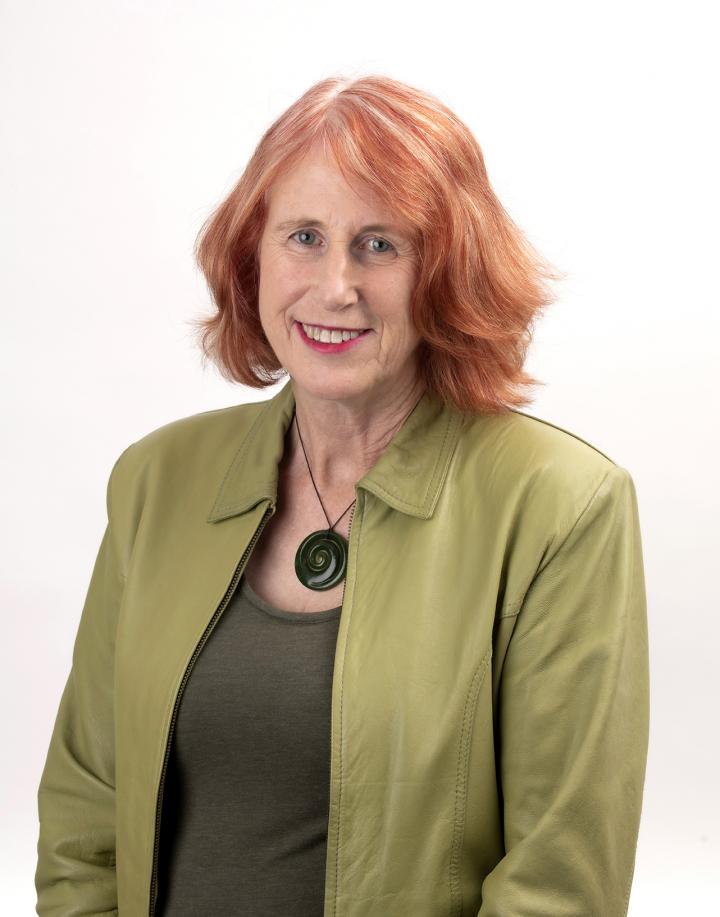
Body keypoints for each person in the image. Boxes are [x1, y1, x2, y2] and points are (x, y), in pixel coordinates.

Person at [34, 74, 649, 917]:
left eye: (380, 245)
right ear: (252, 253)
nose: (335, 286)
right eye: (304, 237)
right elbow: (84, 818)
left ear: (448, 270)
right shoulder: (157, 479)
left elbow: (558, 887)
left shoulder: (559, 506)